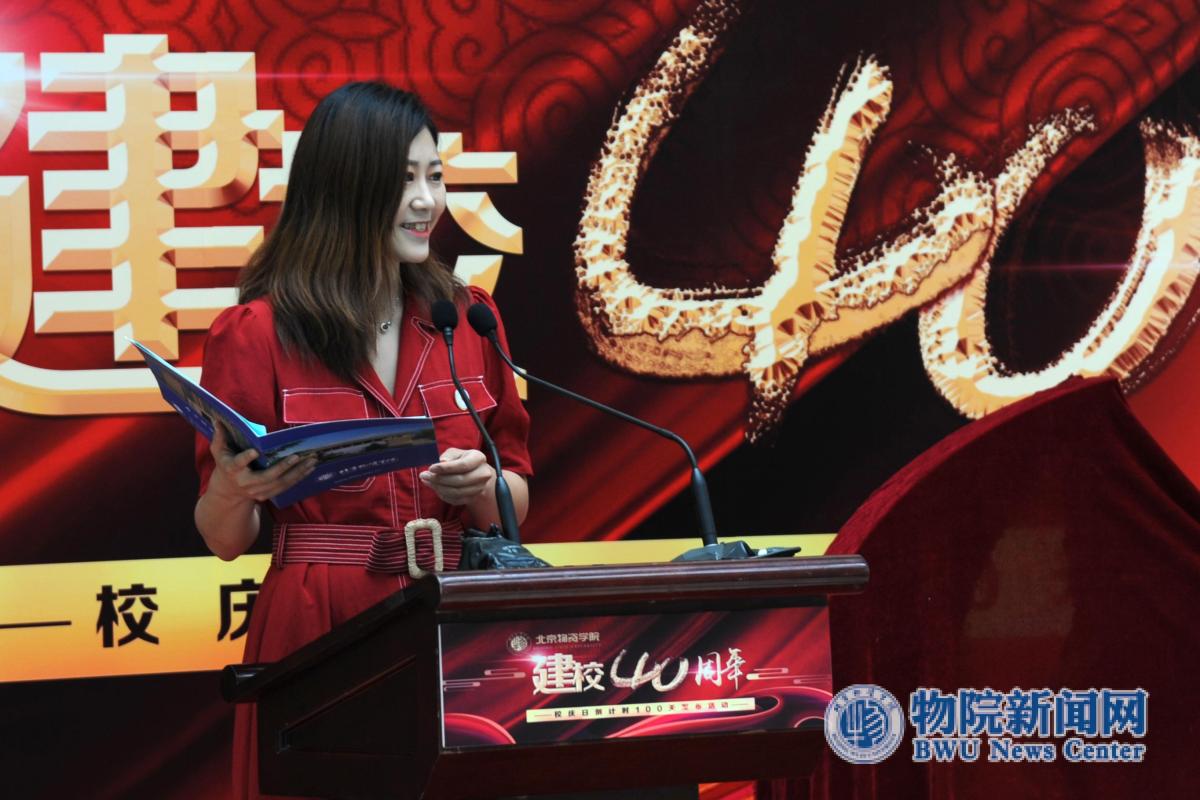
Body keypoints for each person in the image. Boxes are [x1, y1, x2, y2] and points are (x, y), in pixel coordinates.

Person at [193, 81, 532, 799]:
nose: (426, 201)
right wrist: (233, 486)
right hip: (320, 617)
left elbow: (515, 507)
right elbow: (223, 538)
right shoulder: (258, 332)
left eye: (434, 177)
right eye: (403, 180)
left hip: (452, 611)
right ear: (343, 187)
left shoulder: (466, 318)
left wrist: (485, 487)